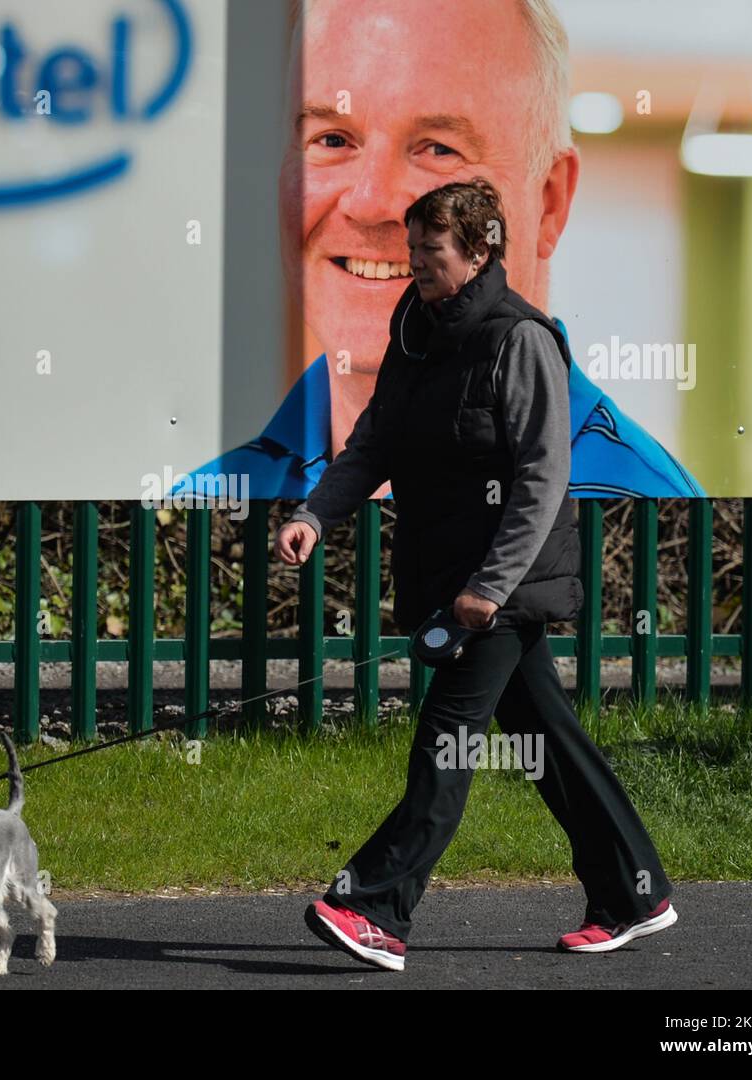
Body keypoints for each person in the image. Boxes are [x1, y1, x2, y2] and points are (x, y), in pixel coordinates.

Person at [273, 178, 677, 972]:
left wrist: (488, 590)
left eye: (432, 252)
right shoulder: (419, 330)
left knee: (447, 743)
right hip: (453, 576)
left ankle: (375, 907)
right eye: (412, 250)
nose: (415, 265)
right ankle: (636, 893)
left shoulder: (520, 339)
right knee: (547, 740)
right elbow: (376, 441)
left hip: (502, 586)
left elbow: (541, 477)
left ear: (479, 251)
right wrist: (315, 514)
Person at [172, 0, 704, 503]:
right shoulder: (202, 504)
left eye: (438, 149)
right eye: (332, 140)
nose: (370, 201)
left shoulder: (648, 514)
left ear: (549, 203)